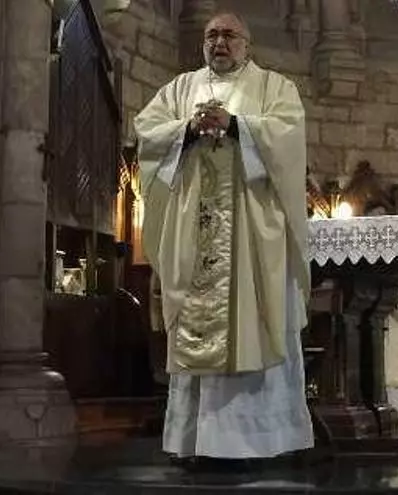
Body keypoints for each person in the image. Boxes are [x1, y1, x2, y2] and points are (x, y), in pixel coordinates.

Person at [133, 12, 313, 461]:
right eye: (211, 35)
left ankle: (258, 440)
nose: (219, 42)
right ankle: (197, 440)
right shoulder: (180, 89)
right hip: (195, 233)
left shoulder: (274, 87)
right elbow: (146, 130)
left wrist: (236, 125)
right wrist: (187, 129)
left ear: (247, 44)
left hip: (250, 238)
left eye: (229, 35)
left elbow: (289, 135)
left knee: (253, 319)